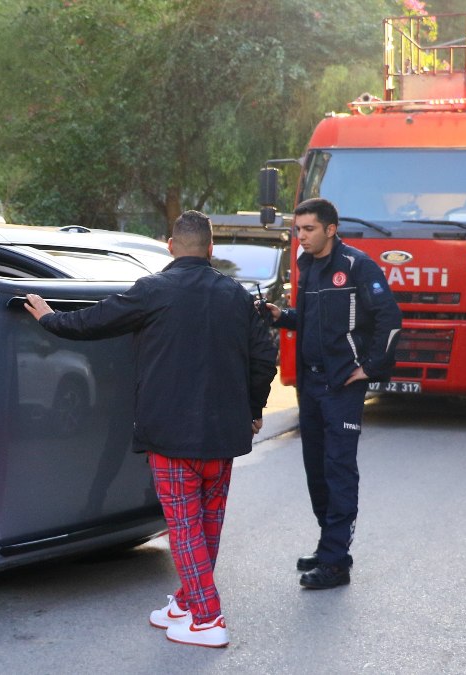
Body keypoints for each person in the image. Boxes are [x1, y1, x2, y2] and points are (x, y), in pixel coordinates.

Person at [24, 210, 277, 649]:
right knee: (207, 526)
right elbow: (264, 359)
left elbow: (95, 322)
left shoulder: (154, 290)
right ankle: (184, 603)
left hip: (171, 437)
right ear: (211, 249)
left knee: (184, 527)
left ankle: (207, 619)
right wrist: (254, 408)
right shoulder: (237, 296)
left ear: (170, 245)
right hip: (223, 436)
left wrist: (49, 318)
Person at [260, 198, 401, 590]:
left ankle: (336, 564)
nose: (300, 236)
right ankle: (330, 547)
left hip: (342, 388)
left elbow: (389, 318)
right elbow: (309, 321)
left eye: (308, 229)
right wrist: (280, 315)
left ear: (330, 229)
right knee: (317, 473)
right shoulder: (307, 267)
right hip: (311, 386)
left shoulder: (357, 266)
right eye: (297, 230)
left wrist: (369, 368)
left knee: (339, 472)